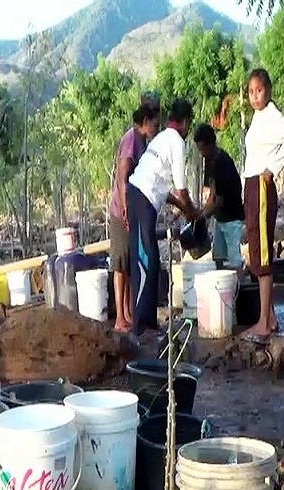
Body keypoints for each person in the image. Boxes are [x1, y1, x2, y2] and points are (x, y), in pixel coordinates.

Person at [127, 98, 201, 335]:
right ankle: (141, 325)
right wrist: (193, 213)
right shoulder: (177, 143)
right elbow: (181, 188)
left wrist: (181, 205)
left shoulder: (162, 138)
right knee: (145, 258)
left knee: (151, 257)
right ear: (185, 122)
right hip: (141, 198)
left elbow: (162, 187)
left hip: (141, 196)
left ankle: (148, 321)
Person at [242, 68, 284, 339]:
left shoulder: (272, 115)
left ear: (268, 90)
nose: (255, 96)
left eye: (259, 90)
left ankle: (264, 322)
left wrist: (272, 168)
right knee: (256, 248)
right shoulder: (258, 117)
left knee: (263, 253)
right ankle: (272, 317)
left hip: (261, 187)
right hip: (252, 186)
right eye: (251, 92)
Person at [109, 102, 160, 332]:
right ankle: (120, 316)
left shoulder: (142, 141)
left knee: (130, 262)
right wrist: (125, 208)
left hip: (132, 207)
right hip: (122, 209)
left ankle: (128, 313)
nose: (156, 129)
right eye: (154, 125)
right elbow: (122, 176)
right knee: (120, 263)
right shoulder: (131, 139)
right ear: (146, 122)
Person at [193, 123, 244, 271]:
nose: (201, 153)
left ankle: (238, 282)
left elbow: (219, 200)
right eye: (199, 149)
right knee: (218, 257)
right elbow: (212, 192)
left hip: (232, 217)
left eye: (203, 148)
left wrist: (203, 216)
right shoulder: (209, 161)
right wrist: (202, 212)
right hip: (220, 218)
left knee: (234, 260)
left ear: (211, 144)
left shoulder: (223, 163)